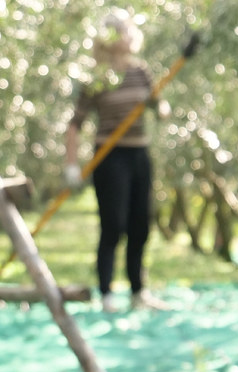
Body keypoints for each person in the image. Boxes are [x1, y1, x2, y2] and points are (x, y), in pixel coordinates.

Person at [64, 9, 169, 313]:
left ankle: (138, 292)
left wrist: (160, 108)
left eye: (125, 29)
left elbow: (160, 105)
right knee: (114, 225)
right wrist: (72, 166)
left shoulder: (141, 71)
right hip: (110, 157)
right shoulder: (97, 77)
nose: (123, 35)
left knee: (141, 225)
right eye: (117, 30)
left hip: (139, 154)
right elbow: (75, 125)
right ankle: (107, 293)